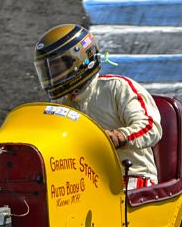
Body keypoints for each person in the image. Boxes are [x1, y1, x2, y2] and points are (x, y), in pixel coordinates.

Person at [34, 23, 161, 190]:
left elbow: (151, 127)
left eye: (56, 68)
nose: (52, 77)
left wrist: (120, 136)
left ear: (79, 60)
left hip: (131, 177)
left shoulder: (117, 87)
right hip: (84, 183)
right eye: (47, 71)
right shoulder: (59, 104)